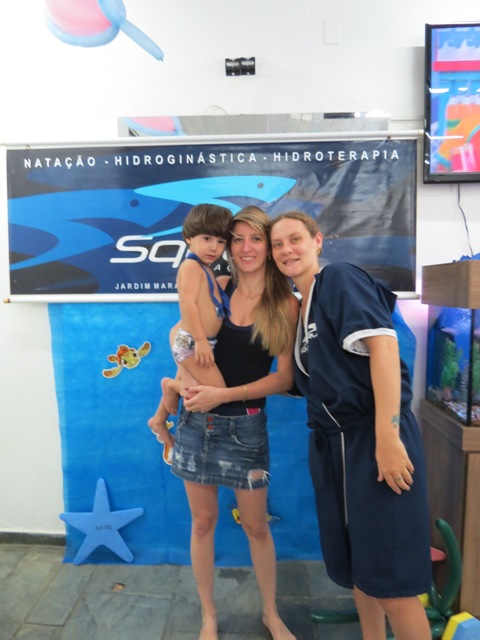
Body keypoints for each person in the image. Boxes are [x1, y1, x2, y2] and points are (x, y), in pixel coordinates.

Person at [269, 211, 432, 640]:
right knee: (362, 571)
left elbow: (384, 349)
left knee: (394, 585)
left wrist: (387, 436)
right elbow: (307, 383)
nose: (286, 250)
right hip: (336, 449)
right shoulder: (302, 309)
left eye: (295, 239)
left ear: (317, 241)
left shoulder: (338, 279)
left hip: (374, 440)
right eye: (277, 244)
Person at [149, 206, 299, 640]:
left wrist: (224, 395)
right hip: (197, 425)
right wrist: (179, 386)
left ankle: (271, 613)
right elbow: (183, 340)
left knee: (256, 526)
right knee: (202, 523)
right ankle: (209, 616)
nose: (245, 248)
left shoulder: (285, 303)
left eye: (256, 239)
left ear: (268, 246)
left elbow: (284, 378)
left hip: (246, 428)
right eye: (237, 239)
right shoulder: (216, 286)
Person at [152, 203, 233, 432]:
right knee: (217, 392)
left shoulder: (205, 268)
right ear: (189, 237)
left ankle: (159, 416)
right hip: (193, 343)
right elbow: (187, 303)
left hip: (202, 342)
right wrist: (200, 340)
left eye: (221, 242)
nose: (214, 247)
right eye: (207, 238)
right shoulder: (190, 266)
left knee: (199, 385)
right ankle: (172, 386)